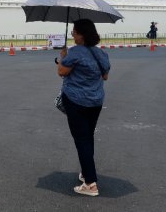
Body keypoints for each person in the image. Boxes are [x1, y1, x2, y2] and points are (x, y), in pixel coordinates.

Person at [57, 19, 111, 197]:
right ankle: (87, 172)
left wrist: (62, 58)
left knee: (81, 140)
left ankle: (90, 184)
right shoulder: (100, 53)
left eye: (74, 31)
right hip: (95, 101)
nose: (72, 34)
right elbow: (105, 76)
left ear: (81, 34)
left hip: (76, 101)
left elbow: (61, 72)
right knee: (88, 137)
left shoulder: (75, 52)